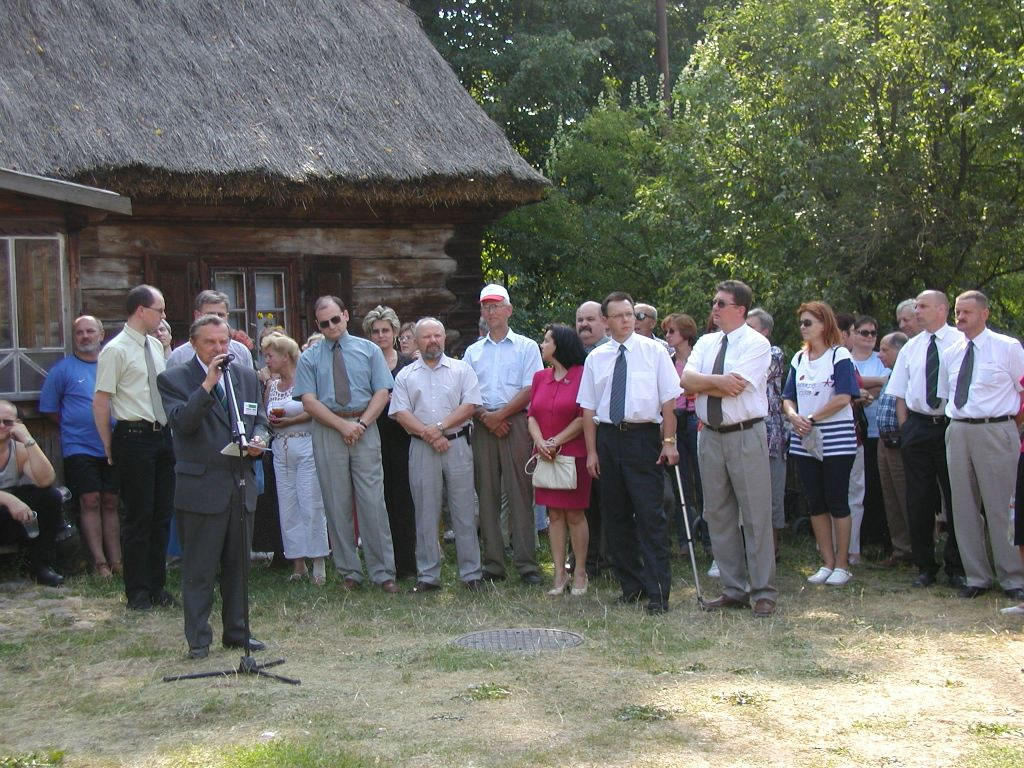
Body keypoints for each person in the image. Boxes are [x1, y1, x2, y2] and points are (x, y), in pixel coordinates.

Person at [157, 315, 269, 659]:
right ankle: (199, 639)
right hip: (201, 488)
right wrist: (207, 384)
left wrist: (259, 439)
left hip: (240, 483)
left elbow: (260, 419)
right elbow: (182, 423)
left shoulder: (246, 376)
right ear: (193, 344)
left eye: (224, 342)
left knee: (239, 567)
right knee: (200, 569)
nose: (219, 349)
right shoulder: (174, 378)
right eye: (210, 343)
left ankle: (237, 631)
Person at [578, 291, 680, 614]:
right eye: (619, 316)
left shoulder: (655, 351)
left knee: (650, 516)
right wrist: (592, 452)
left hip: (643, 437)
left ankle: (658, 592)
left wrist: (669, 441)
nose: (626, 320)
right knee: (616, 516)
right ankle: (631, 586)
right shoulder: (596, 358)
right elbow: (588, 408)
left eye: (630, 314)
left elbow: (669, 401)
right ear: (606, 321)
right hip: (608, 438)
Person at [682, 280, 777, 617]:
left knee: (754, 515)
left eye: (721, 303)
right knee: (718, 514)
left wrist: (706, 383)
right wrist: (718, 382)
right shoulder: (706, 342)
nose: (714, 308)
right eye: (714, 301)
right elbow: (685, 381)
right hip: (709, 435)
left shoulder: (757, 344)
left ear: (740, 309)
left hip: (745, 434)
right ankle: (733, 589)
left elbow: (734, 388)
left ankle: (763, 591)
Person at [294, 295, 398, 592]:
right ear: (318, 325)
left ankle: (383, 573)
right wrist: (342, 426)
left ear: (346, 315)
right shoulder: (310, 358)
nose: (331, 327)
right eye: (324, 324)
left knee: (373, 502)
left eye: (335, 320)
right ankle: (349, 572)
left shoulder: (369, 350)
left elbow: (382, 392)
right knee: (336, 503)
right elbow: (309, 401)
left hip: (365, 426)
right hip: (329, 429)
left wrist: (361, 424)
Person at [94, 284, 176, 611]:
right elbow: (102, 400)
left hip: (161, 434)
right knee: (139, 515)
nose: (163, 316)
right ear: (141, 310)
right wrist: (108, 444)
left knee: (161, 513)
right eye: (159, 310)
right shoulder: (115, 350)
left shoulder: (154, 345)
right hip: (133, 434)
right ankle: (137, 591)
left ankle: (157, 585)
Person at [939, 291, 1024, 601]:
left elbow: (1022, 390)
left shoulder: (1007, 347)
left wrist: (1008, 426)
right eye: (958, 312)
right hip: (959, 429)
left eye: (967, 312)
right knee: (963, 507)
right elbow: (947, 395)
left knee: (1002, 506)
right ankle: (976, 576)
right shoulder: (951, 352)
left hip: (996, 428)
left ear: (985, 313)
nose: (960, 318)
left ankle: (1013, 578)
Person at [390, 318, 484, 592]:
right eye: (426, 336)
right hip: (421, 447)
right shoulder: (406, 375)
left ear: (444, 338)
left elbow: (470, 404)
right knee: (425, 512)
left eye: (437, 335)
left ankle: (471, 574)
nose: (433, 340)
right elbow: (400, 413)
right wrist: (429, 434)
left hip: (457, 445)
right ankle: (428, 576)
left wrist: (440, 428)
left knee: (464, 511)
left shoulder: (461, 369)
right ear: (416, 341)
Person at [463, 284, 543, 584]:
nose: (491, 311)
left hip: (516, 424)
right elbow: (466, 390)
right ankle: (494, 564)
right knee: (486, 495)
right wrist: (487, 417)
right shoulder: (473, 351)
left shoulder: (526, 346)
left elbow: (530, 388)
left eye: (496, 306)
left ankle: (527, 564)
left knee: (521, 493)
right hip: (483, 424)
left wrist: (501, 416)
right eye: (486, 306)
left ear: (509, 310)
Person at [885, 290, 966, 588]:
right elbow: (899, 393)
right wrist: (906, 428)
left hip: (950, 424)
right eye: (916, 306)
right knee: (918, 498)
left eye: (923, 306)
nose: (917, 311)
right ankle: (925, 566)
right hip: (918, 426)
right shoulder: (912, 347)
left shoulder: (961, 341)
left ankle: (957, 566)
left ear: (942, 309)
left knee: (956, 497)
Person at [782, 302, 860, 586]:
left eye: (808, 323)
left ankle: (842, 564)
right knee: (815, 501)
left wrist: (812, 418)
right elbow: (787, 397)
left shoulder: (840, 355)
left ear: (825, 325)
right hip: (804, 438)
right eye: (801, 323)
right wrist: (794, 416)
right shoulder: (799, 358)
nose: (803, 328)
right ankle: (826, 562)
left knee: (837, 499)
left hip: (836, 437)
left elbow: (844, 397)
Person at [39, 315, 121, 578]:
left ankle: (117, 560)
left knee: (111, 501)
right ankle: (99, 563)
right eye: (79, 332)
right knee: (89, 500)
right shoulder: (62, 370)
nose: (85, 336)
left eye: (90, 331)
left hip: (113, 445)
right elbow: (50, 409)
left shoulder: (113, 366)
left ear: (101, 334)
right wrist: (78, 424)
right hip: (79, 447)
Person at [527, 324, 591, 596]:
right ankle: (558, 574)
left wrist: (556, 441)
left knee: (574, 514)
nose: (542, 345)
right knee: (553, 514)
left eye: (546, 340)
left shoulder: (583, 375)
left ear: (560, 346)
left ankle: (580, 572)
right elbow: (532, 415)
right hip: (544, 455)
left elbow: (583, 415)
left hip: (574, 454)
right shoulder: (540, 377)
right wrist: (541, 442)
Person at [263, 332, 329, 585]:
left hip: (306, 444)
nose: (267, 360)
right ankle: (297, 563)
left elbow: (316, 411)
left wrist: (290, 421)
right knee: (288, 505)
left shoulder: (306, 380)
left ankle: (319, 563)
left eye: (270, 355)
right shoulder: (272, 386)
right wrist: (271, 422)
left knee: (311, 503)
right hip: (280, 448)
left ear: (285, 356)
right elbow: (266, 413)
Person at [363, 305, 416, 579]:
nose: (381, 335)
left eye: (385, 330)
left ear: (394, 332)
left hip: (404, 438)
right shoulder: (364, 364)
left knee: (404, 500)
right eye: (376, 331)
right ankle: (385, 563)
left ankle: (407, 564)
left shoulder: (408, 365)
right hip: (373, 436)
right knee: (378, 501)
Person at [0, 400, 63, 585]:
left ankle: (41, 566)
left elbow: (46, 480)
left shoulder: (18, 450)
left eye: (7, 422)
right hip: (7, 506)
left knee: (50, 496)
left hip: (7, 518)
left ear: (18, 424)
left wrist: (28, 440)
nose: (1, 426)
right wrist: (9, 500)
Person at [848, 315, 890, 561]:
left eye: (873, 333)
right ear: (852, 333)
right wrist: (870, 385)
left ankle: (880, 539)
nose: (870, 337)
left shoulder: (881, 359)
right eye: (864, 332)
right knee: (856, 490)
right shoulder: (844, 358)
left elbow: (889, 382)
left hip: (878, 431)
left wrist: (857, 388)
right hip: (854, 434)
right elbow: (850, 387)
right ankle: (858, 540)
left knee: (877, 487)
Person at [746, 308, 786, 558]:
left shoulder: (774, 353)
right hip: (745, 434)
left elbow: (748, 377)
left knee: (772, 497)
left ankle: (771, 552)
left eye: (751, 327)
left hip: (771, 436)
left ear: (765, 331)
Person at [663, 313, 704, 551]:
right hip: (675, 419)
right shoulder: (667, 361)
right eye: (666, 331)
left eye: (672, 331)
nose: (667, 336)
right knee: (682, 483)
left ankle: (708, 540)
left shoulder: (700, 358)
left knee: (703, 480)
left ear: (686, 333)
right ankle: (685, 539)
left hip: (698, 418)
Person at [875, 332, 913, 566]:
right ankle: (901, 551)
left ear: (901, 351)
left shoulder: (910, 373)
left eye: (885, 350)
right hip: (884, 442)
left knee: (907, 495)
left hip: (901, 442)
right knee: (891, 499)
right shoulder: (890, 375)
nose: (880, 355)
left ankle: (919, 550)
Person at [166, 290, 255, 369]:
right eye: (210, 314)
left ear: (227, 317)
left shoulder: (241, 352)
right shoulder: (179, 356)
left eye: (221, 315)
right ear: (197, 316)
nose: (216, 319)